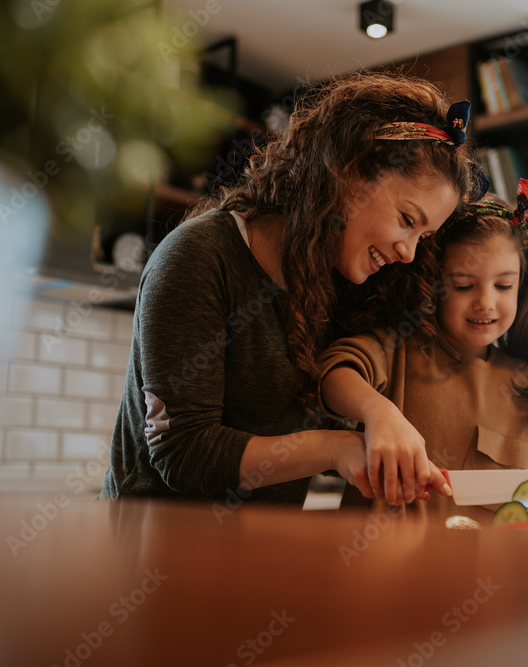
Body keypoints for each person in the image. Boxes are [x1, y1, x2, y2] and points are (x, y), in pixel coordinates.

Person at [101, 71, 472, 504]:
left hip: (257, 552)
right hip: (151, 546)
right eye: (408, 220)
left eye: (422, 237)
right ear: (347, 173)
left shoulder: (337, 280)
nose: (409, 252)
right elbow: (182, 453)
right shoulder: (198, 256)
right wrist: (335, 450)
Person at [318, 179, 528, 527]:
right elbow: (334, 372)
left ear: (522, 288)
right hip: (379, 567)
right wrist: (380, 412)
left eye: (503, 285)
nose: (486, 302)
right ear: (433, 283)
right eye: (464, 285)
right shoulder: (399, 349)